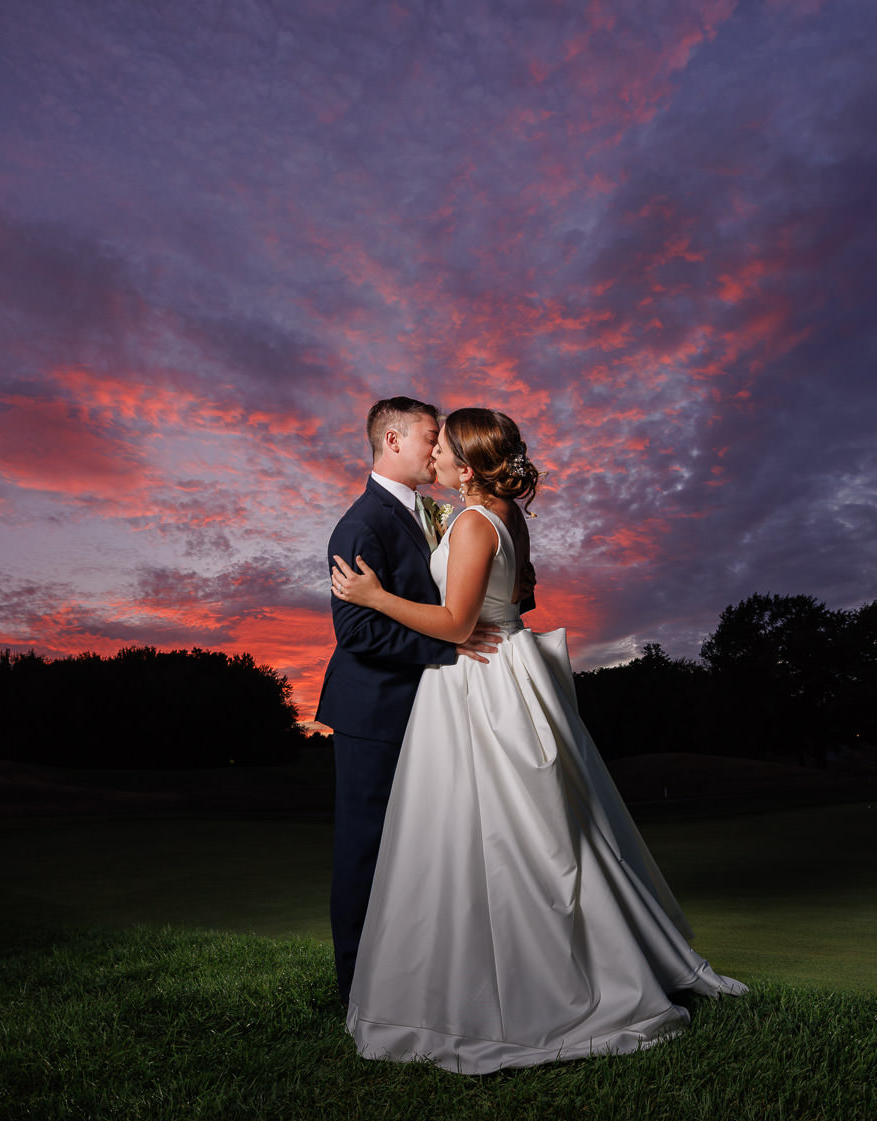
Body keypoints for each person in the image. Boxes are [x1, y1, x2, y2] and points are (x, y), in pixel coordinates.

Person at [329, 407, 745, 1074]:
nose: (433, 453)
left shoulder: (468, 519)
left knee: (489, 828)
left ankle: (515, 979)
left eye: (442, 447)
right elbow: (515, 595)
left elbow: (459, 620)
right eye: (428, 441)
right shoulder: (500, 512)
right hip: (505, 669)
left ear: (465, 469)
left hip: (478, 679)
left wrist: (377, 596)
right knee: (524, 826)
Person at [315, 397, 501, 1008]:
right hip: (374, 714)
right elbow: (358, 633)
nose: (439, 446)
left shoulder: (433, 512)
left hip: (423, 711)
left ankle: (410, 978)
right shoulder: (360, 524)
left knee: (420, 850)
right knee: (366, 849)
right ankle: (355, 992)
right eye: (430, 435)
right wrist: (449, 647)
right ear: (392, 440)